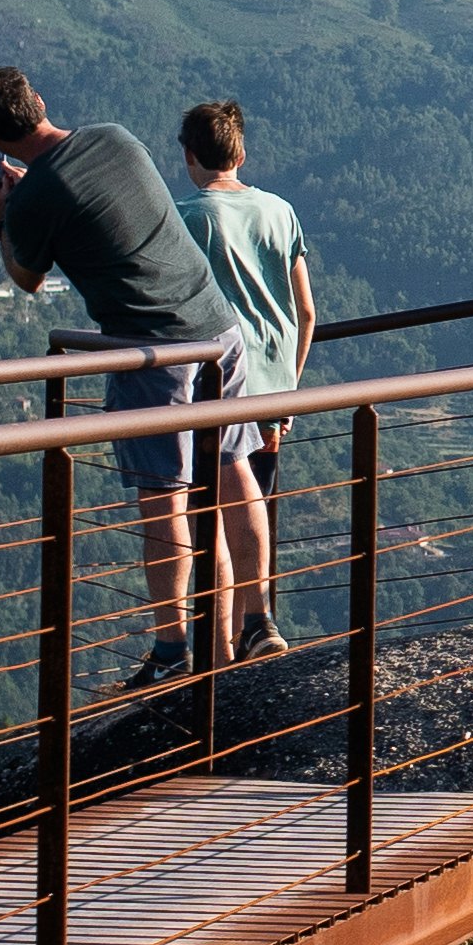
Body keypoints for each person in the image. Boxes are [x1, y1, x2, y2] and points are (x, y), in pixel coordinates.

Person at [0, 66, 276, 684]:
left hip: (155, 353)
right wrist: (31, 197)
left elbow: (25, 277)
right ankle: (258, 622)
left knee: (165, 497)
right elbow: (90, 194)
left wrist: (0, 214)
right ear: (40, 103)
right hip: (220, 328)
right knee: (234, 466)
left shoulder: (30, 200)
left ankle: (173, 648)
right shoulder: (115, 136)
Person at [174, 98, 313, 653]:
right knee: (251, 509)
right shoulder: (280, 211)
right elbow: (306, 312)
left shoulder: (188, 219)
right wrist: (288, 388)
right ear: (241, 152)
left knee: (214, 520)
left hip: (216, 391)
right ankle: (254, 629)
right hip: (272, 393)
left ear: (188, 157)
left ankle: (222, 651)